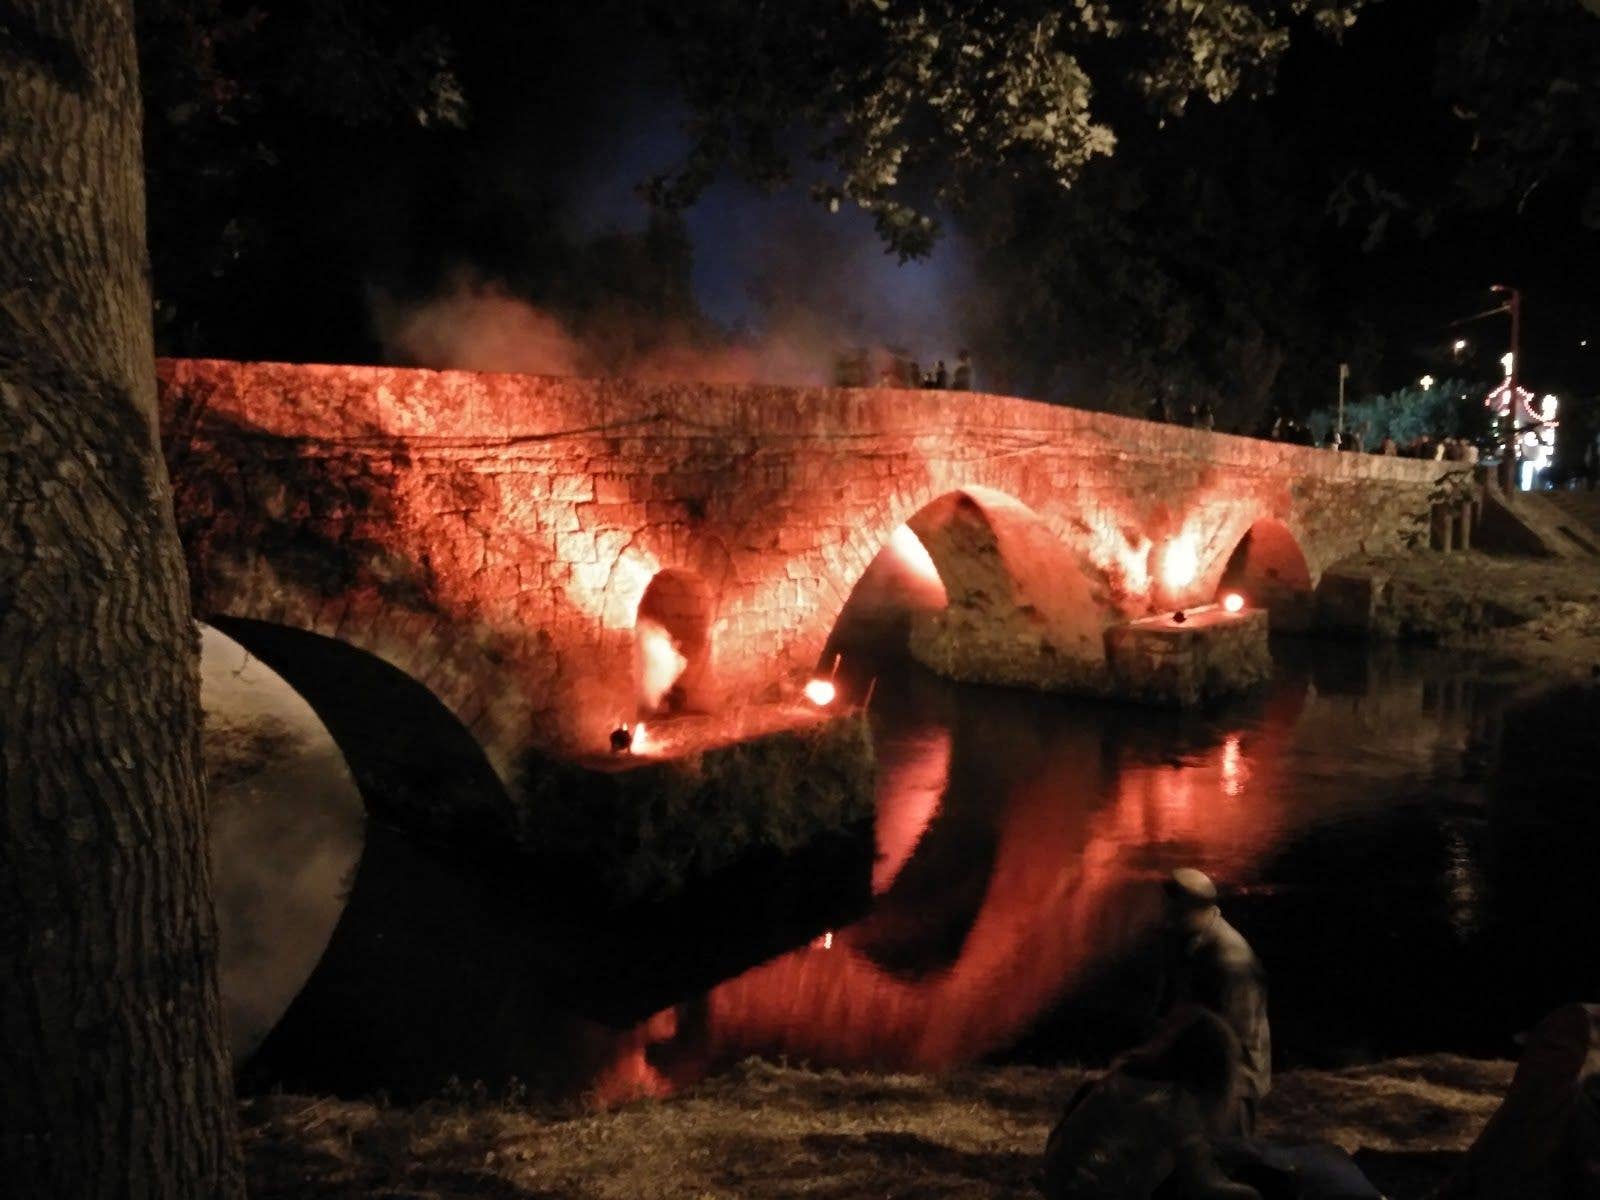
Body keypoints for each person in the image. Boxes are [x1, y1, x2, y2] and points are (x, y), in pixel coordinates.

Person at [1042, 1008, 1260, 1199]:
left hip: (1062, 1188)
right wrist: (1251, 1193)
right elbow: (1204, 1183)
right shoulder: (1175, 1103)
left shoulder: (1121, 1080)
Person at [1157, 869, 1271, 1135]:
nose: (1165, 916)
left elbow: (1230, 1037)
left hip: (1232, 1084)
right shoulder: (1191, 939)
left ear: (1190, 908)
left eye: (1171, 909)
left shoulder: (1231, 961)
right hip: (1205, 1075)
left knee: (1225, 1158)